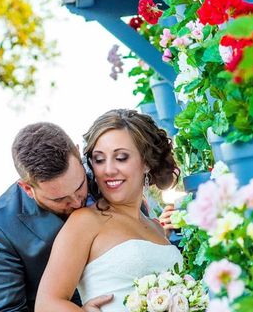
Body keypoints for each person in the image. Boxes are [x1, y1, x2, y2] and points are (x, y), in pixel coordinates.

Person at [35, 109, 181, 312]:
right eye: (99, 159)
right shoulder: (85, 221)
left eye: (121, 157)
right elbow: (46, 305)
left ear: (146, 162)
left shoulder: (156, 227)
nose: (108, 170)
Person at [0, 122, 113, 312]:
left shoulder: (106, 174)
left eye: (79, 186)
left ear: (77, 152)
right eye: (60, 199)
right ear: (27, 189)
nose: (75, 202)